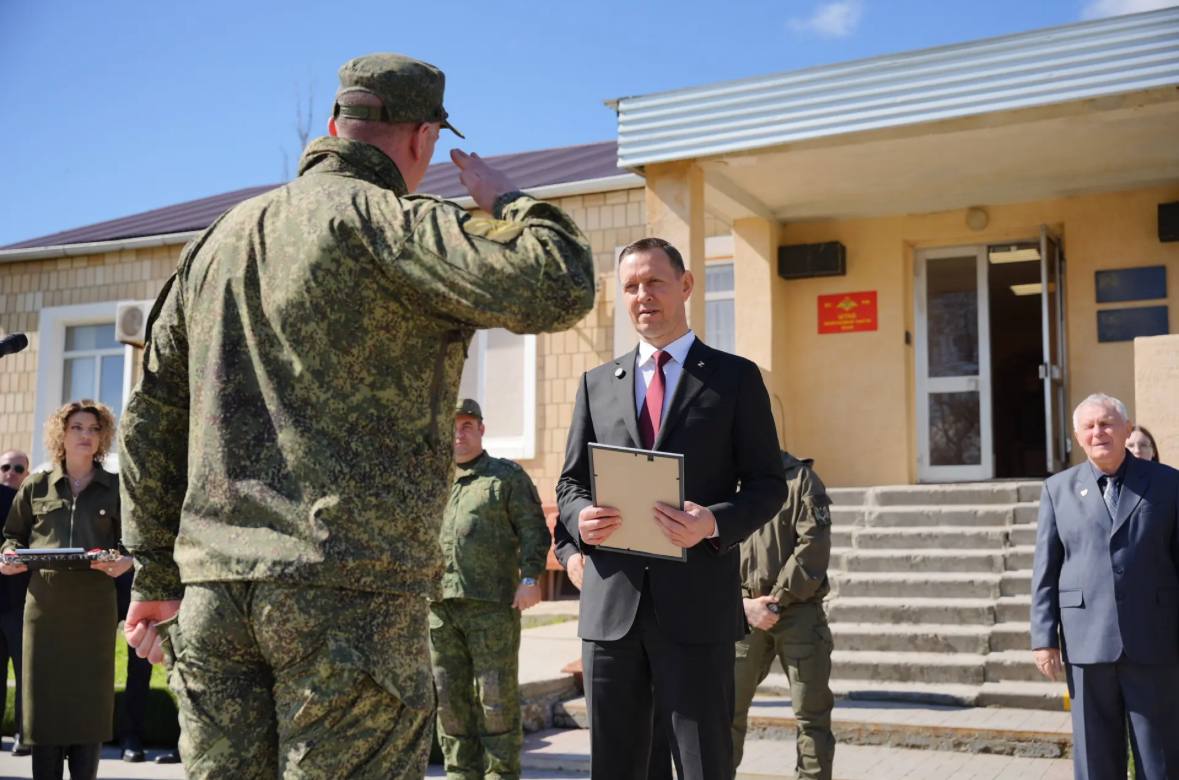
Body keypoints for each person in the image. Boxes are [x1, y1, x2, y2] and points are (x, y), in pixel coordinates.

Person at [117, 52, 595, 780]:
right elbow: (561, 281)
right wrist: (509, 200)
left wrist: (154, 574)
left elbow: (149, 420)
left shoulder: (217, 241)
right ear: (423, 137)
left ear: (335, 123)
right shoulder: (393, 224)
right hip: (350, 597)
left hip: (216, 595)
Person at [555, 237, 788, 780]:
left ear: (685, 285)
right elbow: (569, 483)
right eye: (631, 286)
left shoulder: (734, 378)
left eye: (654, 282)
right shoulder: (596, 384)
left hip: (696, 609)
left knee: (704, 764)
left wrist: (712, 522)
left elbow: (768, 484)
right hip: (612, 611)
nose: (643, 296)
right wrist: (580, 517)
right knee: (617, 768)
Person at [1030, 392, 1179, 779]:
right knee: (1095, 758)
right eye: (1090, 426)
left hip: (1154, 640)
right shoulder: (1057, 489)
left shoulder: (1168, 483)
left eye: (1107, 423)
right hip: (1086, 641)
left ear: (1127, 429)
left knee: (1160, 758)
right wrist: (1044, 638)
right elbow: (1046, 569)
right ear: (1078, 437)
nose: (1099, 432)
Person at [0, 401, 133, 780]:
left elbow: (132, 544)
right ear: (62, 433)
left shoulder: (115, 488)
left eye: (94, 429)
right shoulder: (35, 485)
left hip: (94, 610)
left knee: (90, 700)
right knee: (44, 701)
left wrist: (125, 561)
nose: (86, 435)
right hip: (45, 609)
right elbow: (12, 536)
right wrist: (8, 556)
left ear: (103, 437)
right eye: (77, 427)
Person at [430, 398, 549, 779]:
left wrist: (529, 579)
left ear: (481, 429)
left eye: (467, 425)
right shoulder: (433, 479)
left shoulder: (505, 477)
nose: (459, 434)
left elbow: (534, 531)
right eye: (453, 427)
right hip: (440, 609)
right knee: (449, 701)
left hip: (491, 608)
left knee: (495, 701)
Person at [732, 452, 834, 780]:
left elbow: (813, 545)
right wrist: (742, 604)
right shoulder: (725, 481)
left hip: (798, 613)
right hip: (745, 613)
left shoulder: (800, 479)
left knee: (811, 716)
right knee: (726, 713)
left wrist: (776, 600)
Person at [115, 569, 181, 764]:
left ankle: (186, 740)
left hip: (156, 574)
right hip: (114, 577)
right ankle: (127, 736)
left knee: (152, 661)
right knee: (102, 660)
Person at [0, 449, 30, 756]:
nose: (11, 472)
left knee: (25, 674)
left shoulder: (31, 505)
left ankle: (24, 734)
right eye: (6, 467)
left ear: (26, 475)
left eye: (18, 468)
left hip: (22, 604)